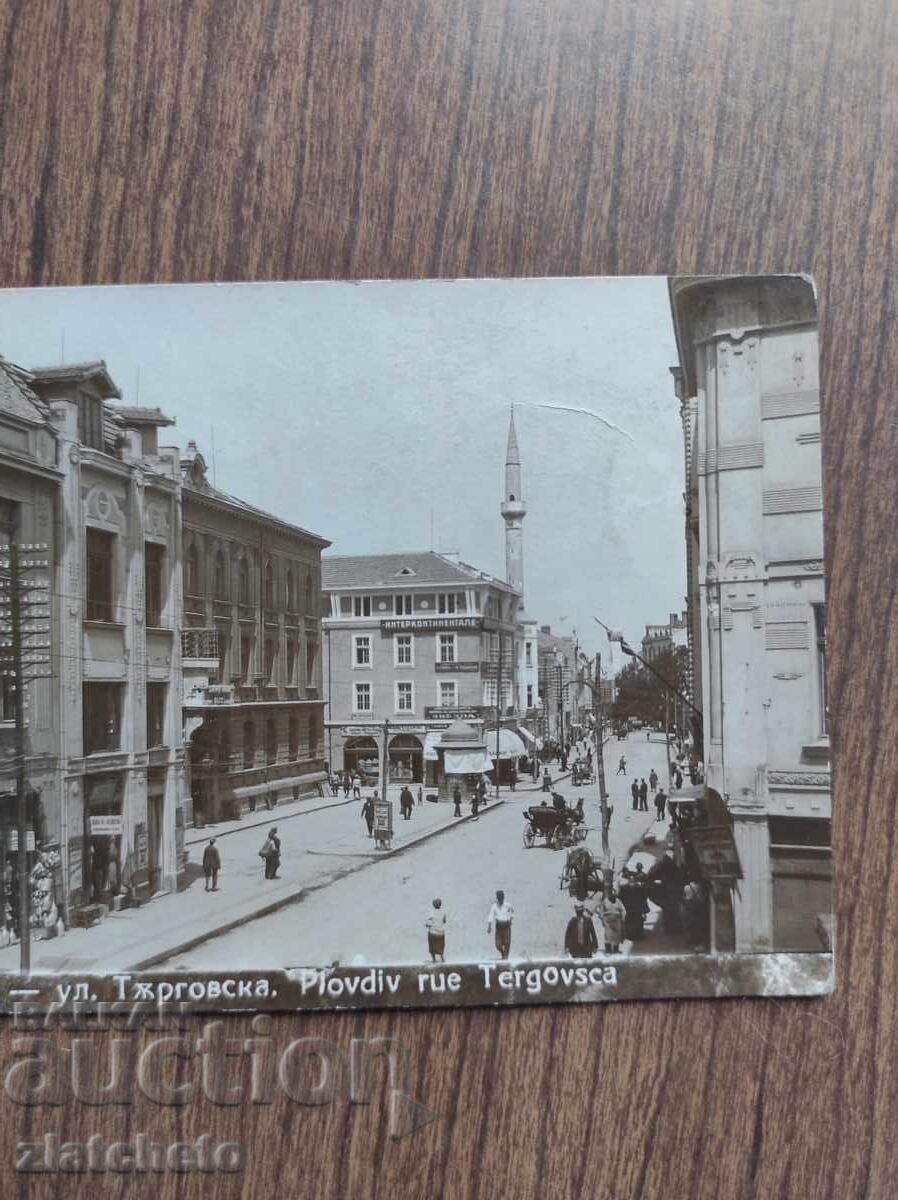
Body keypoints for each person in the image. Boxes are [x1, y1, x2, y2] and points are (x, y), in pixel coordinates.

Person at [487, 889, 515, 958]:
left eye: (501, 898)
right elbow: (491, 915)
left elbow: (513, 913)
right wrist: (489, 926)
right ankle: (503, 953)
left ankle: (506, 958)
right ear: (497, 898)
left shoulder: (508, 905)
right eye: (499, 899)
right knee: (498, 945)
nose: (500, 900)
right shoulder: (494, 906)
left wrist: (511, 920)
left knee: (507, 943)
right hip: (499, 926)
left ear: (503, 898)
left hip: (506, 926)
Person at [599, 887, 626, 954]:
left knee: (617, 935)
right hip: (608, 920)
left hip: (617, 919)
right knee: (608, 935)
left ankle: (616, 950)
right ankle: (608, 950)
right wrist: (602, 919)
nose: (613, 897)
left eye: (614, 895)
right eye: (612, 895)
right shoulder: (605, 901)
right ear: (609, 895)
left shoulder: (618, 901)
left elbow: (623, 910)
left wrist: (623, 918)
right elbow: (601, 911)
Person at [425, 898, 446, 963]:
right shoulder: (443, 912)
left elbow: (428, 923)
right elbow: (444, 921)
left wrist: (427, 925)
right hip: (441, 932)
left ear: (433, 905)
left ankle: (434, 959)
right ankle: (442, 958)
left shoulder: (431, 912)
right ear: (440, 904)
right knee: (441, 945)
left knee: (432, 946)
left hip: (433, 932)